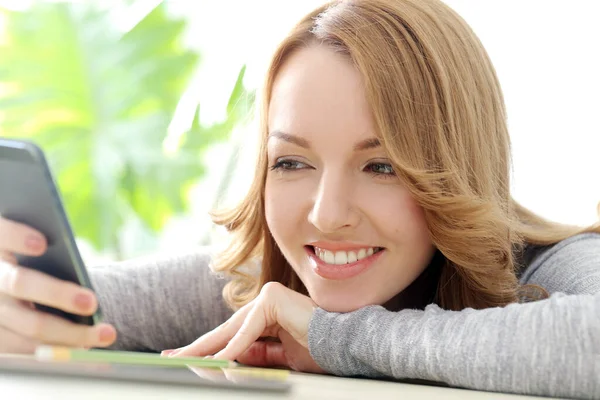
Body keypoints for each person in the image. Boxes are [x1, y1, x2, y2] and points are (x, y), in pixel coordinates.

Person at [1, 0, 599, 398]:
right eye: (291, 162)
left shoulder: (547, 269)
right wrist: (19, 304)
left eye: (381, 165)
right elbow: (86, 303)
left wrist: (335, 338)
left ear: (454, 168)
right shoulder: (263, 286)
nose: (326, 214)